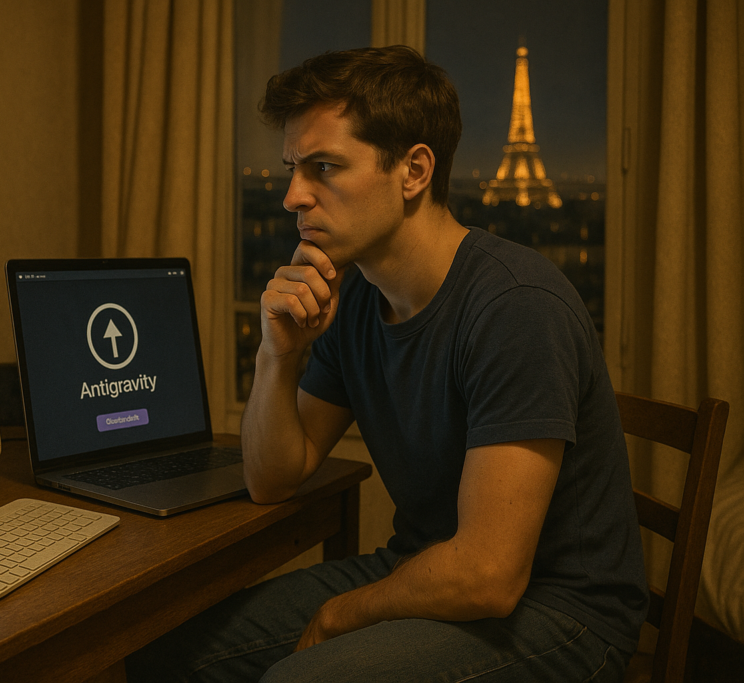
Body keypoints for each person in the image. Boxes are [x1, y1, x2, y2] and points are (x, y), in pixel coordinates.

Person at [126, 45, 647, 682]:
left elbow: (488, 576)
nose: (293, 196)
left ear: (414, 171)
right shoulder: (358, 302)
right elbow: (274, 480)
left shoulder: (516, 308)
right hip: (426, 566)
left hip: (560, 612)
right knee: (166, 653)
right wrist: (277, 355)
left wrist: (343, 615)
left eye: (324, 167)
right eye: (292, 168)